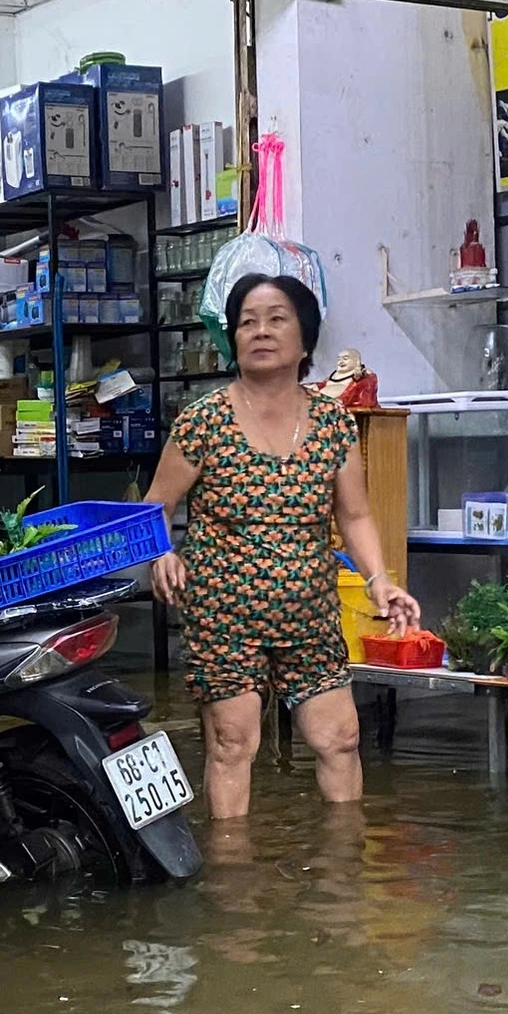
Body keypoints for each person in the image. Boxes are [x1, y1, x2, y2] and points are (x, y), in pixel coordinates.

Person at [146, 275, 419, 819]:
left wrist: (379, 579)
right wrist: (161, 552)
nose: (260, 331)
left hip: (311, 615)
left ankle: (344, 872)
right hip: (223, 614)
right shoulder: (203, 421)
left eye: (276, 319)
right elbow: (155, 505)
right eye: (247, 321)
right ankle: (233, 878)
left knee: (340, 737)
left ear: (304, 338)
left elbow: (356, 513)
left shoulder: (334, 423)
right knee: (232, 742)